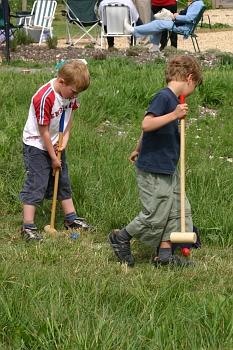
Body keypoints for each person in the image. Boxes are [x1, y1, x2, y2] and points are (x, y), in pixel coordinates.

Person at [108, 54, 203, 267]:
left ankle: (165, 256)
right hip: (154, 168)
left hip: (169, 168)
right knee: (157, 213)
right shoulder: (165, 97)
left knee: (178, 210)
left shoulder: (174, 101)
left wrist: (137, 148)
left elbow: (150, 131)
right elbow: (147, 124)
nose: (193, 90)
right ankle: (121, 236)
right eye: (195, 85)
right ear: (189, 78)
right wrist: (174, 115)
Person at [19, 60, 94, 243]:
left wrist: (65, 139)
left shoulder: (69, 93)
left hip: (56, 142)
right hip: (36, 144)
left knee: (62, 180)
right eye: (74, 92)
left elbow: (68, 116)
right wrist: (53, 158)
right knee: (37, 182)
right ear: (61, 82)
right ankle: (27, 226)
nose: (75, 96)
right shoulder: (45, 97)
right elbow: (43, 130)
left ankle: (71, 218)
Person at [124, 0, 205, 52]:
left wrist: (177, 16)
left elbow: (190, 18)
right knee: (157, 23)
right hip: (180, 24)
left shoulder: (197, 4)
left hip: (181, 26)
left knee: (157, 23)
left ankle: (133, 30)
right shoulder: (198, 3)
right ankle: (155, 46)